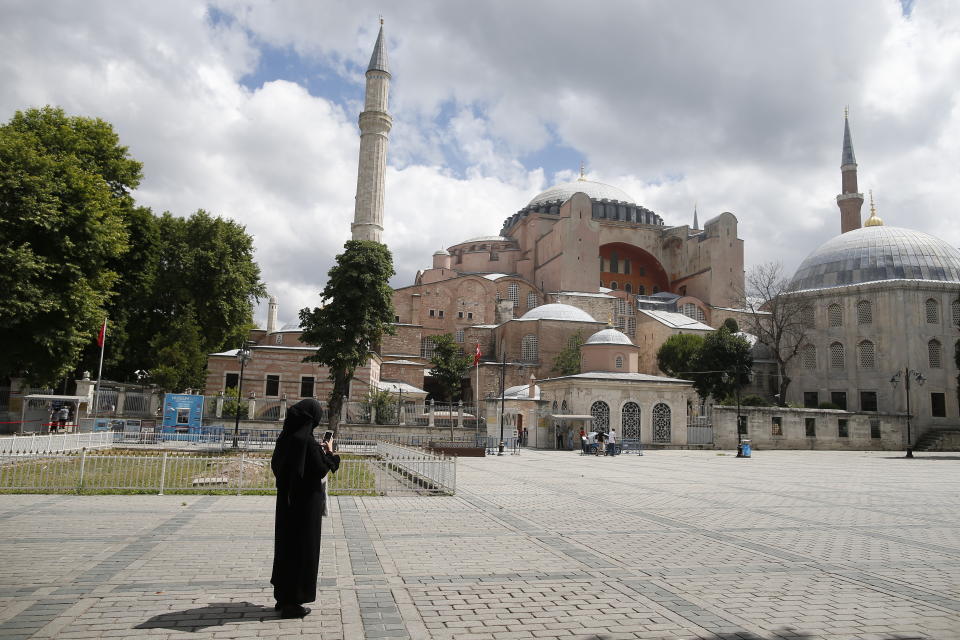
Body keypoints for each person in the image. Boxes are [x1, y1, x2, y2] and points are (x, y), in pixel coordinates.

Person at [270, 399, 340, 619]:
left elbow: (277, 466)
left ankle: (283, 597)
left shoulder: (285, 438)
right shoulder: (307, 442)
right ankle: (294, 602)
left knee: (286, 549)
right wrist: (330, 453)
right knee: (303, 551)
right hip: (305, 507)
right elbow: (321, 469)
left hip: (286, 503)